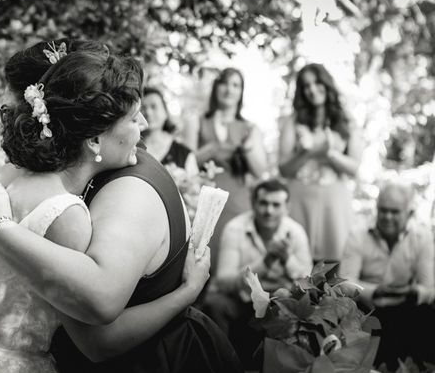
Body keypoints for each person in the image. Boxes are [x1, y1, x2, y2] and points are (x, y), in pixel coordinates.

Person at [0, 45, 217, 373]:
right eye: (133, 117)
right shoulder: (69, 214)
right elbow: (97, 335)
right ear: (95, 140)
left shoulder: (10, 178)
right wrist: (187, 293)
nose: (144, 124)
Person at [202, 178, 313, 368]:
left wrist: (288, 260)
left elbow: (309, 284)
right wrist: (265, 262)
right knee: (214, 302)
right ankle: (221, 370)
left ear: (287, 207)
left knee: (290, 302)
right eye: (263, 203)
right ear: (253, 203)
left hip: (278, 300)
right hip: (240, 299)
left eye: (276, 205)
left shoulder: (296, 232)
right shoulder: (235, 228)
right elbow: (223, 280)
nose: (268, 211)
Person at [340, 180, 435, 368]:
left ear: (409, 213)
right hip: (367, 305)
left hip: (406, 305)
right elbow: (345, 282)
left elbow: (429, 288)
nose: (387, 217)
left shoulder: (422, 236)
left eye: (394, 211)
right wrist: (374, 292)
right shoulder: (358, 233)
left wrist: (413, 293)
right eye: (383, 210)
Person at [278, 63, 363, 263]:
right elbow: (283, 169)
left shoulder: (347, 121)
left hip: (334, 205)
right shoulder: (293, 121)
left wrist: (331, 154)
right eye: (306, 86)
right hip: (299, 201)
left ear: (326, 83)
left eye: (317, 83)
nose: (312, 89)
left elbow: (354, 168)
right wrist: (306, 153)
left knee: (334, 265)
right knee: (297, 262)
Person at [189, 68, 268, 277]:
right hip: (201, 203)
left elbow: (260, 171)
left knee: (232, 264)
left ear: (242, 92)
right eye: (225, 83)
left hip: (238, 204)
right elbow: (185, 164)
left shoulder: (250, 128)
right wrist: (213, 148)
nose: (229, 89)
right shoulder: (197, 121)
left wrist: (247, 148)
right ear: (216, 87)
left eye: (236, 85)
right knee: (198, 260)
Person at [141, 86, 198, 176]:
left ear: (165, 112)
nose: (148, 112)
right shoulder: (131, 150)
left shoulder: (184, 154)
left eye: (153, 107)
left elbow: (194, 186)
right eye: (143, 108)